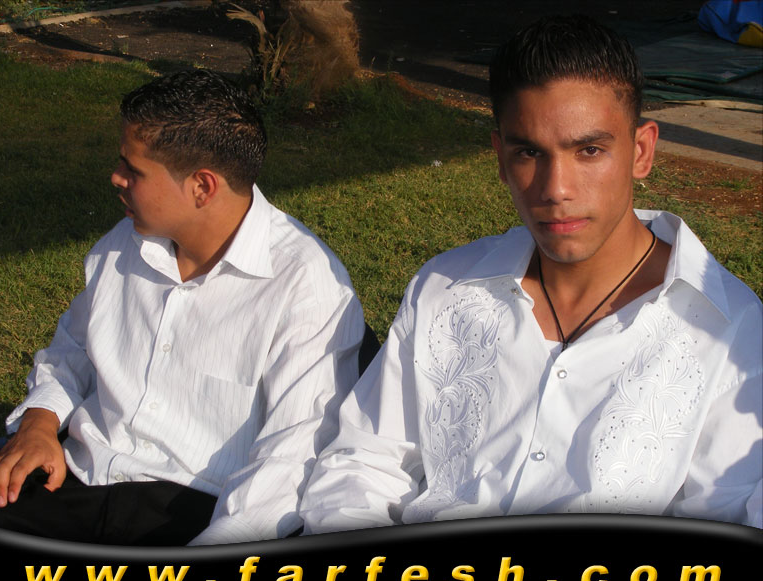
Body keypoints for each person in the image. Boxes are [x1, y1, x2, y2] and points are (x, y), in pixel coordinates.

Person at [298, 15, 762, 533]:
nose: (556, 188)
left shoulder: (730, 332)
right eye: (529, 153)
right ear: (500, 158)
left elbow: (731, 513)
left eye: (589, 150)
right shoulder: (445, 289)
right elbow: (363, 461)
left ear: (641, 151)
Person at [0, 69, 365, 545]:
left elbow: (291, 458)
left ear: (202, 187)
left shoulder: (306, 287)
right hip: (80, 477)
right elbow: (74, 349)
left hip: (197, 510)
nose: (115, 177)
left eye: (133, 170)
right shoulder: (124, 243)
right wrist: (39, 422)